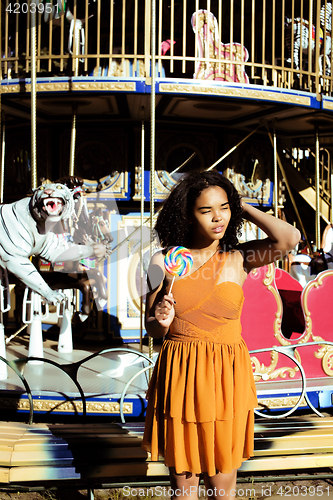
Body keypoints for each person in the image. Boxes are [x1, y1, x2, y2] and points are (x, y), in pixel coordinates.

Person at [141, 170, 300, 500]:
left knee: (221, 491)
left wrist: (243, 206)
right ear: (187, 213)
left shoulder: (239, 257)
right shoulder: (163, 260)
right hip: (181, 374)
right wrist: (161, 317)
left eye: (224, 208)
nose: (218, 218)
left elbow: (289, 238)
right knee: (184, 491)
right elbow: (152, 328)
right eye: (206, 210)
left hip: (225, 376)